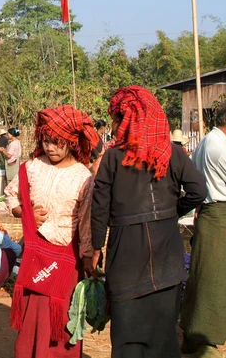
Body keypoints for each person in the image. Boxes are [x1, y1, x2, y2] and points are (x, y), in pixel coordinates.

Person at [91, 85, 207, 358]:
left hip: (126, 255)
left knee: (127, 336)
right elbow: (198, 191)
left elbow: (100, 208)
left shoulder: (112, 157)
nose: (113, 124)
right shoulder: (172, 153)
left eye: (117, 118)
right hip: (167, 253)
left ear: (127, 120)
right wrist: (171, 213)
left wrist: (95, 249)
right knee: (163, 336)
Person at [5, 105, 98, 358]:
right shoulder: (33, 167)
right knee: (32, 312)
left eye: (58, 143)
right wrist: (24, 214)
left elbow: (87, 220)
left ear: (71, 142)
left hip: (67, 257)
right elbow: (11, 194)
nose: (50, 148)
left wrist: (89, 255)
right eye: (46, 141)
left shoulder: (83, 177)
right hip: (36, 252)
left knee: (59, 316)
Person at [180, 101, 226, 355]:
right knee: (214, 279)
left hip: (219, 217)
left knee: (209, 276)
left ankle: (195, 336)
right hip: (220, 218)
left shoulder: (209, 142)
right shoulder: (217, 147)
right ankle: (205, 339)